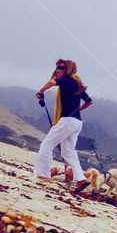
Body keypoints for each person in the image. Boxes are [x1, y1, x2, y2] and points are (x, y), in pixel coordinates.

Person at [33, 59, 93, 192]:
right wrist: (78, 110)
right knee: (68, 152)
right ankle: (81, 179)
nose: (57, 70)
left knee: (47, 145)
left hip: (67, 121)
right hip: (77, 122)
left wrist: (41, 91)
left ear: (68, 70)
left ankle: (44, 175)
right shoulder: (77, 84)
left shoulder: (65, 81)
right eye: (57, 68)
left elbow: (51, 82)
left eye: (61, 68)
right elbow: (89, 101)